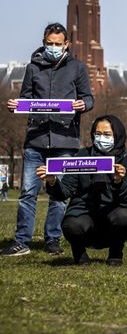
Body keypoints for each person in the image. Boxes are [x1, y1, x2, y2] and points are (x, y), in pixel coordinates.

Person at [2, 23, 94, 257]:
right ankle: (22, 241)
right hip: (36, 139)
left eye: (57, 44)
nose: (53, 47)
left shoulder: (77, 68)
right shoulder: (33, 68)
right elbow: (26, 99)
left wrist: (83, 104)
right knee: (27, 193)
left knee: (59, 195)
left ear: (66, 44)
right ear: (44, 42)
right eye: (49, 43)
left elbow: (88, 98)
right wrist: (16, 106)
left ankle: (52, 239)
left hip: (65, 141)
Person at [39, 115, 127, 265]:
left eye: (107, 134)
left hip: (113, 215)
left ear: (117, 135)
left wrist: (118, 181)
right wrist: (52, 181)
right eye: (97, 134)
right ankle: (79, 254)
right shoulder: (82, 155)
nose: (101, 138)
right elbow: (65, 192)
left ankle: (116, 253)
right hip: (84, 214)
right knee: (71, 224)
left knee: (124, 216)